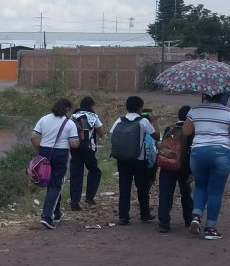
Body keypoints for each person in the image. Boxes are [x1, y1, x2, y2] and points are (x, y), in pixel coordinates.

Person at [181, 93, 230, 240]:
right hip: (221, 153)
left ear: (205, 94)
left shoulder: (195, 109)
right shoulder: (227, 111)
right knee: (215, 192)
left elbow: (186, 131)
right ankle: (210, 229)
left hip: (198, 153)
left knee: (200, 187)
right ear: (221, 95)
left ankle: (196, 216)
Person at [31, 98, 79, 230]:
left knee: (50, 183)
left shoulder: (44, 119)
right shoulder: (69, 124)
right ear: (67, 109)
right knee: (56, 185)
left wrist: (40, 151)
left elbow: (33, 137)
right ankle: (47, 216)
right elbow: (74, 144)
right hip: (61, 154)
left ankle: (57, 213)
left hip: (45, 151)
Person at [109, 96, 159, 226]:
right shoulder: (143, 121)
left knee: (124, 187)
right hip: (139, 159)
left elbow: (112, 134)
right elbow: (156, 136)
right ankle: (144, 214)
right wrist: (155, 121)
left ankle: (123, 216)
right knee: (142, 187)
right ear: (140, 108)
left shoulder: (119, 120)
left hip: (122, 159)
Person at [157, 106, 194, 233]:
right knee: (186, 193)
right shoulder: (190, 131)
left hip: (167, 164)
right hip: (184, 166)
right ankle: (188, 218)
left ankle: (163, 221)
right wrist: (191, 172)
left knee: (165, 193)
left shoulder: (169, 128)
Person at [68, 96, 105, 210]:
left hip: (75, 148)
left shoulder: (73, 116)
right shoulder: (94, 116)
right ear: (91, 106)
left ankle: (74, 202)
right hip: (88, 149)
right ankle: (89, 197)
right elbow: (101, 134)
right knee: (94, 171)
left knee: (76, 174)